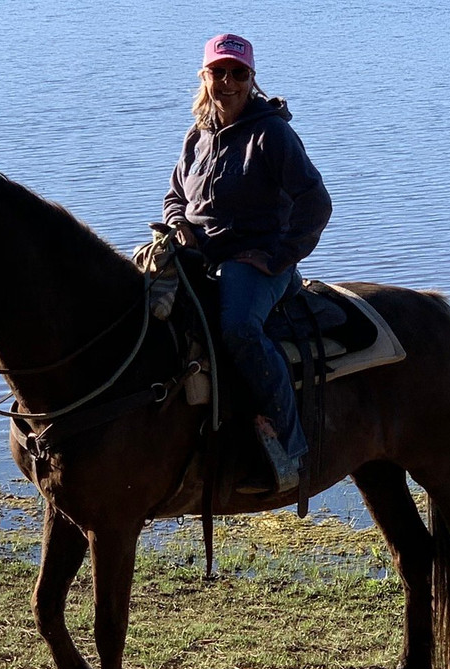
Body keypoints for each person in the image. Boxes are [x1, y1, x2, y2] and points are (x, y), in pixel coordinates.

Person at [163, 33, 332, 493]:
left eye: (238, 73)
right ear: (205, 77)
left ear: (252, 79)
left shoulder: (272, 133)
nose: (228, 82)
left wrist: (278, 256)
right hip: (198, 254)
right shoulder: (197, 134)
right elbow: (175, 196)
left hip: (254, 261)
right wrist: (180, 225)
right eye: (218, 72)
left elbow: (315, 203)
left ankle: (289, 451)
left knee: (238, 328)